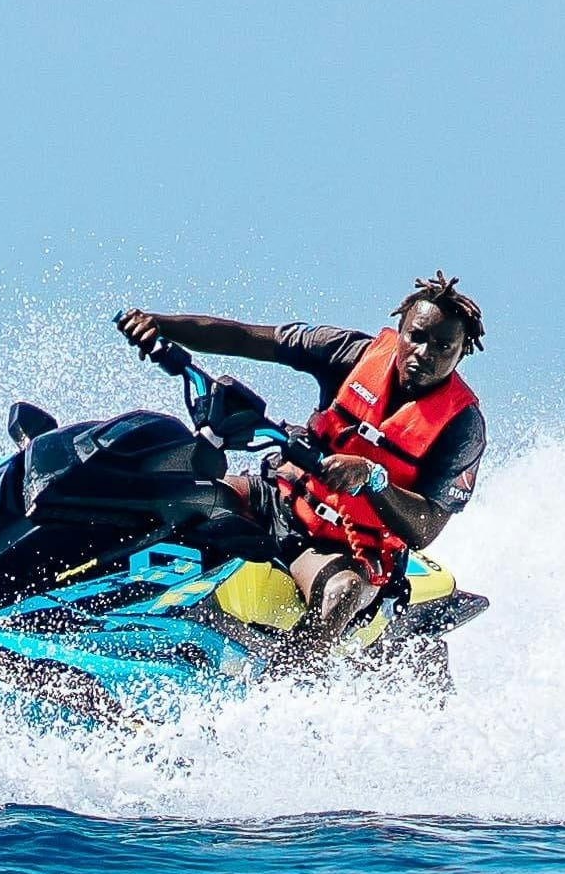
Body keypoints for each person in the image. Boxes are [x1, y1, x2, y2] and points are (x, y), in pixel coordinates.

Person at [116, 273, 486, 661]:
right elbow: (246, 337)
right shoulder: (350, 353)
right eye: (417, 337)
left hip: (340, 548)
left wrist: (373, 478)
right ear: (401, 330)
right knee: (178, 494)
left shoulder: (462, 427)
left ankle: (285, 692)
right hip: (278, 501)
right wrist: (159, 326)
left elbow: (425, 528)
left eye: (443, 346)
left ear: (461, 353)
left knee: (342, 591)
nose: (424, 353)